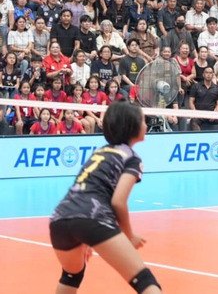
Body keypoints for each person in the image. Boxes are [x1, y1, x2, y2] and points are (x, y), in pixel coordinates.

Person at [49, 101, 161, 294]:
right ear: (132, 126)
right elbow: (118, 202)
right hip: (93, 218)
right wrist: (129, 235)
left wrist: (84, 237)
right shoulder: (131, 158)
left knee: (71, 276)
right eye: (143, 120)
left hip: (59, 219)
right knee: (145, 281)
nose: (146, 124)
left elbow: (85, 191)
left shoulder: (100, 152)